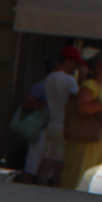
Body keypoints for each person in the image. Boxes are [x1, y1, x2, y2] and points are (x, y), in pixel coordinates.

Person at [60, 51, 102, 189]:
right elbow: (81, 107)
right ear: (98, 66)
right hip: (86, 139)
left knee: (96, 175)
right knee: (79, 174)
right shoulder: (90, 85)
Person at [33, 47, 82, 187]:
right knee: (60, 164)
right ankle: (56, 190)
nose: (75, 67)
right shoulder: (69, 80)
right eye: (74, 63)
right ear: (67, 61)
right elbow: (78, 98)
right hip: (63, 127)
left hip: (52, 123)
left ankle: (41, 188)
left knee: (47, 161)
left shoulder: (50, 78)